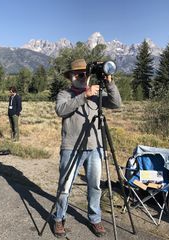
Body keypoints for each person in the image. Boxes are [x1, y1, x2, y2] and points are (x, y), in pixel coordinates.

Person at [53, 59, 121, 238]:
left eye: (84, 74)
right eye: (78, 74)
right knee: (65, 186)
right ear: (71, 77)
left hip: (95, 147)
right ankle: (59, 218)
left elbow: (116, 103)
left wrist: (109, 83)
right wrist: (84, 95)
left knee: (95, 186)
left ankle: (95, 218)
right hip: (71, 148)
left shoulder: (96, 95)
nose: (82, 77)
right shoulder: (65, 93)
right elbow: (61, 110)